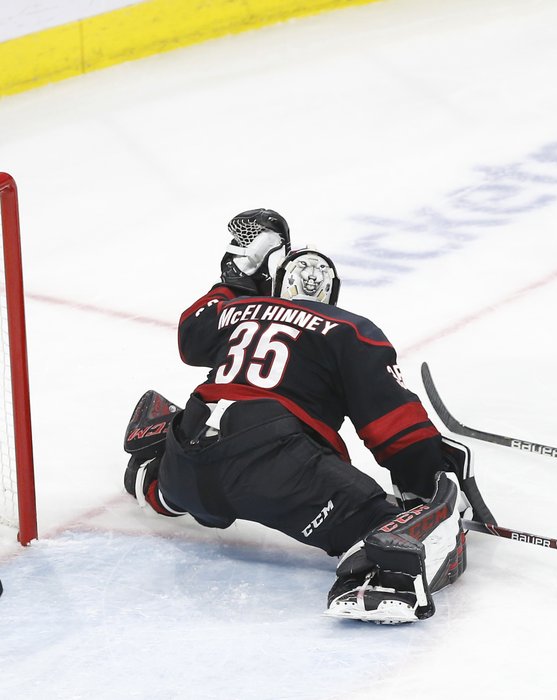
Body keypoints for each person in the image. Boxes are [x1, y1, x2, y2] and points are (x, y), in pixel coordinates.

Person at [121, 208, 493, 623]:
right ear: (332, 294)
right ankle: (381, 579)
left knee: (189, 471)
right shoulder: (349, 328)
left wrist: (234, 280)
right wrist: (427, 485)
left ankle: (152, 478)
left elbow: (191, 339)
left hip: (188, 456)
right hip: (276, 465)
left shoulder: (240, 308)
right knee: (384, 523)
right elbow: (394, 426)